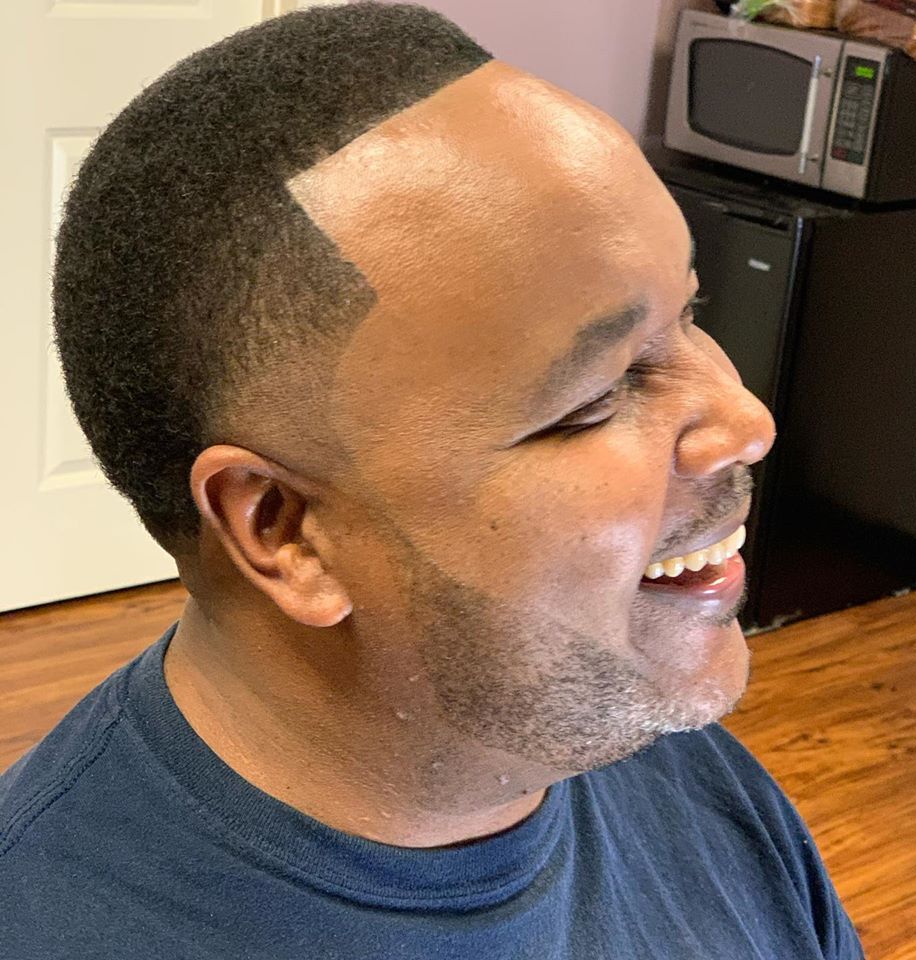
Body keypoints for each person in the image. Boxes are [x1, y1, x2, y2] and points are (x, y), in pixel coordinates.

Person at [0, 3, 865, 958]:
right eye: (597, 396)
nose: (746, 422)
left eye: (690, 313)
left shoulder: (676, 766)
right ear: (285, 530)